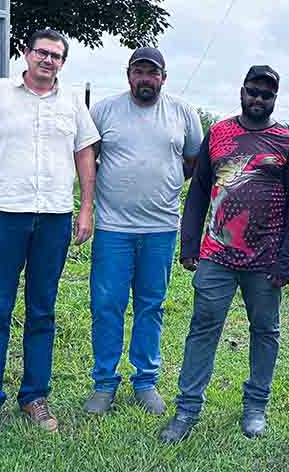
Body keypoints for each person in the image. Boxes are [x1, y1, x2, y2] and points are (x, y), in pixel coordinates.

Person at [0, 28, 99, 440]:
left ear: (63, 62)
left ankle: (35, 395)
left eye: (56, 56)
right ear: (26, 53)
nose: (48, 60)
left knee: (43, 309)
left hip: (54, 217)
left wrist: (86, 207)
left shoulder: (72, 101)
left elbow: (85, 152)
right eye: (42, 52)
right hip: (4, 214)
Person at [159, 65, 289, 443]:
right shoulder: (219, 134)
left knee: (265, 331)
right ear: (241, 91)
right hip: (216, 256)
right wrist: (189, 243)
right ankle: (187, 409)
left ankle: (256, 406)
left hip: (265, 260)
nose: (258, 99)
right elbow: (198, 193)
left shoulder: (288, 144)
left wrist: (288, 261)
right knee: (202, 330)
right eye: (253, 92)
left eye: (266, 94)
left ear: (275, 99)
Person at [85, 47, 203, 416]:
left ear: (163, 78)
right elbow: (87, 158)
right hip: (112, 227)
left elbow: (194, 161)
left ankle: (145, 381)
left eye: (153, 73)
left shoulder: (183, 113)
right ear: (129, 75)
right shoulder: (103, 110)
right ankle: (104, 382)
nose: (145, 79)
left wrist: (165, 184)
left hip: (161, 228)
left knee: (151, 306)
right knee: (107, 306)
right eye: (139, 72)